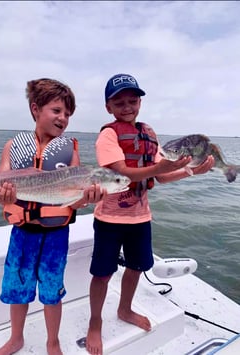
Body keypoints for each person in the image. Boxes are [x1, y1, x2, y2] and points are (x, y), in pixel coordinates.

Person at [85, 73, 215, 355]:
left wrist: (193, 170)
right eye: (119, 102)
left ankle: (125, 309)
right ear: (108, 107)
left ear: (140, 103)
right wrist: (160, 169)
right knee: (103, 274)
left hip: (140, 218)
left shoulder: (149, 134)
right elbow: (123, 173)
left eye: (132, 100)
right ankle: (95, 322)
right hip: (109, 219)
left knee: (136, 267)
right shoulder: (108, 135)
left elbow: (162, 176)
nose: (127, 106)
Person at [0, 78, 106, 355]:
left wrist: (88, 198)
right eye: (56, 111)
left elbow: (75, 199)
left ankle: (52, 342)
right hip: (23, 232)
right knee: (18, 288)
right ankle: (15, 338)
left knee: (52, 291)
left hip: (55, 235)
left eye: (67, 114)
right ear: (35, 109)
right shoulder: (13, 145)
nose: (63, 118)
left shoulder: (70, 150)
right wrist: (0, 196)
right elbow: (0, 184)